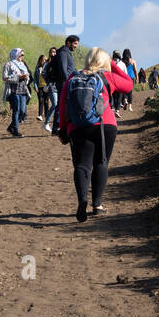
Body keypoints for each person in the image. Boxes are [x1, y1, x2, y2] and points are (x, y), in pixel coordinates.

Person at [57, 46, 133, 221]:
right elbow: (129, 84)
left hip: (78, 126)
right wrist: (112, 64)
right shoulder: (107, 77)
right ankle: (97, 205)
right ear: (104, 61)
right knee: (101, 162)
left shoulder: (73, 77)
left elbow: (63, 104)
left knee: (82, 165)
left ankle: (82, 199)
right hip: (105, 125)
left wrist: (63, 128)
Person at [48, 35, 80, 134]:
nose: (76, 46)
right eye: (74, 43)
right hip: (64, 83)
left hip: (66, 82)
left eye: (76, 44)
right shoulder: (63, 53)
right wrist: (68, 82)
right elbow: (63, 69)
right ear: (68, 43)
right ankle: (56, 127)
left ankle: (62, 126)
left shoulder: (67, 52)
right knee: (61, 104)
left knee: (65, 104)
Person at [2, 47, 30, 137]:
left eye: (23, 55)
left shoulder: (22, 64)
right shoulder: (8, 64)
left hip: (23, 89)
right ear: (16, 54)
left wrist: (26, 78)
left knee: (22, 112)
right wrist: (19, 77)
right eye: (21, 54)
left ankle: (11, 127)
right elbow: (4, 78)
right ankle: (15, 130)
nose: (22, 56)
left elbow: (27, 77)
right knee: (16, 109)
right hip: (13, 90)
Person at [33, 54, 51, 122]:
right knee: (41, 101)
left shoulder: (48, 68)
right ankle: (40, 115)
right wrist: (35, 87)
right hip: (40, 87)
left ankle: (46, 116)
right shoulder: (38, 69)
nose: (44, 61)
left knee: (46, 102)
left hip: (46, 87)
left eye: (45, 60)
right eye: (43, 60)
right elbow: (35, 79)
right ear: (40, 60)